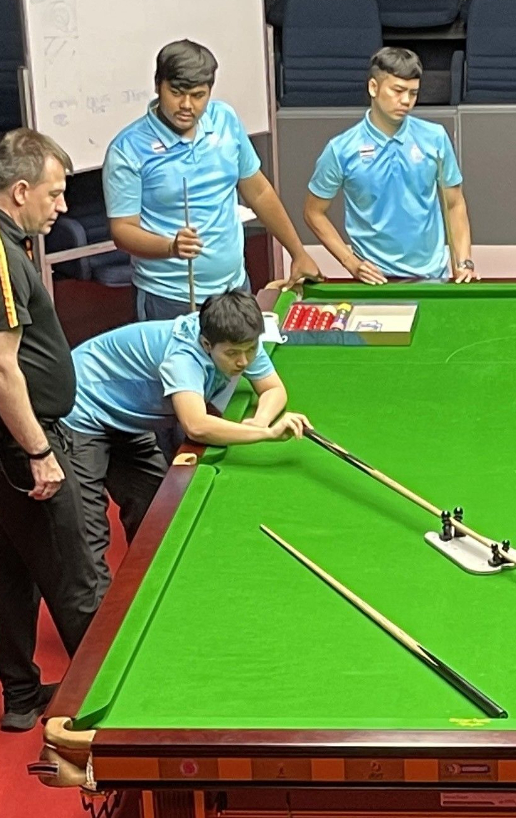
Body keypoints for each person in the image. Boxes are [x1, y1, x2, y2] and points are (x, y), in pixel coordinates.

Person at [0, 128, 98, 732]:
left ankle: (20, 695)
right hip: (13, 444)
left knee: (16, 562)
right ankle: (117, 706)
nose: (62, 206)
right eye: (54, 194)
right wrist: (38, 450)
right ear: (20, 191)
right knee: (74, 571)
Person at [65, 289, 309, 599]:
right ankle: (99, 625)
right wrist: (267, 434)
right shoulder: (183, 357)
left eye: (250, 350)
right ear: (207, 345)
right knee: (88, 534)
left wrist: (260, 421)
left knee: (158, 513)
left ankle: (151, 595)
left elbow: (273, 389)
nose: (243, 360)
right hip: (81, 409)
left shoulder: (240, 336)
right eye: (233, 354)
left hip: (127, 419)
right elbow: (196, 426)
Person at [105, 39, 320, 320]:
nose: (186, 105)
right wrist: (170, 247)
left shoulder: (225, 120)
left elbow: (258, 192)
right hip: (170, 298)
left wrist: (297, 252)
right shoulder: (128, 149)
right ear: (158, 85)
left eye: (198, 95)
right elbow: (122, 230)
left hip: (235, 288)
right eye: (176, 93)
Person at [305, 47, 477, 283]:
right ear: (373, 87)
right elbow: (313, 212)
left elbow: (454, 204)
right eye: (397, 91)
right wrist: (350, 262)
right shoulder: (341, 149)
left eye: (413, 93)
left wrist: (463, 262)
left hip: (432, 278)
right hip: (375, 282)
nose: (406, 101)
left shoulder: (435, 137)